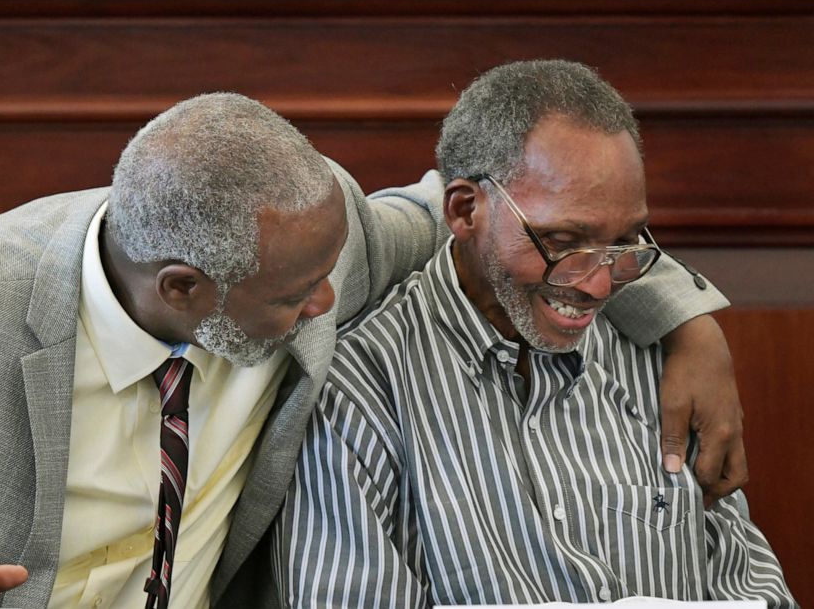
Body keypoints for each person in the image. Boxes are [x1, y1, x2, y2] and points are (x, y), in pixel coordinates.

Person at [0, 91, 735, 608]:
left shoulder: (314, 234)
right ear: (183, 286)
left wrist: (693, 324)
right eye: (297, 299)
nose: (328, 303)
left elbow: (515, 218)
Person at [275, 61, 795, 608]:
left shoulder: (663, 360)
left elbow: (751, 585)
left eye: (624, 244)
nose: (598, 286)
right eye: (563, 241)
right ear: (464, 209)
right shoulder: (361, 390)